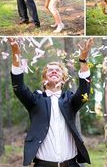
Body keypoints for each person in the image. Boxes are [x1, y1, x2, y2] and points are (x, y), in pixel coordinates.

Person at [9, 37, 94, 167]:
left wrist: (83, 60)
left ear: (64, 79)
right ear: (44, 78)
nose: (54, 71)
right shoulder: (35, 100)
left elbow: (84, 91)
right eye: (50, 70)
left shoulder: (70, 100)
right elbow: (19, 87)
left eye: (58, 70)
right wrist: (16, 54)